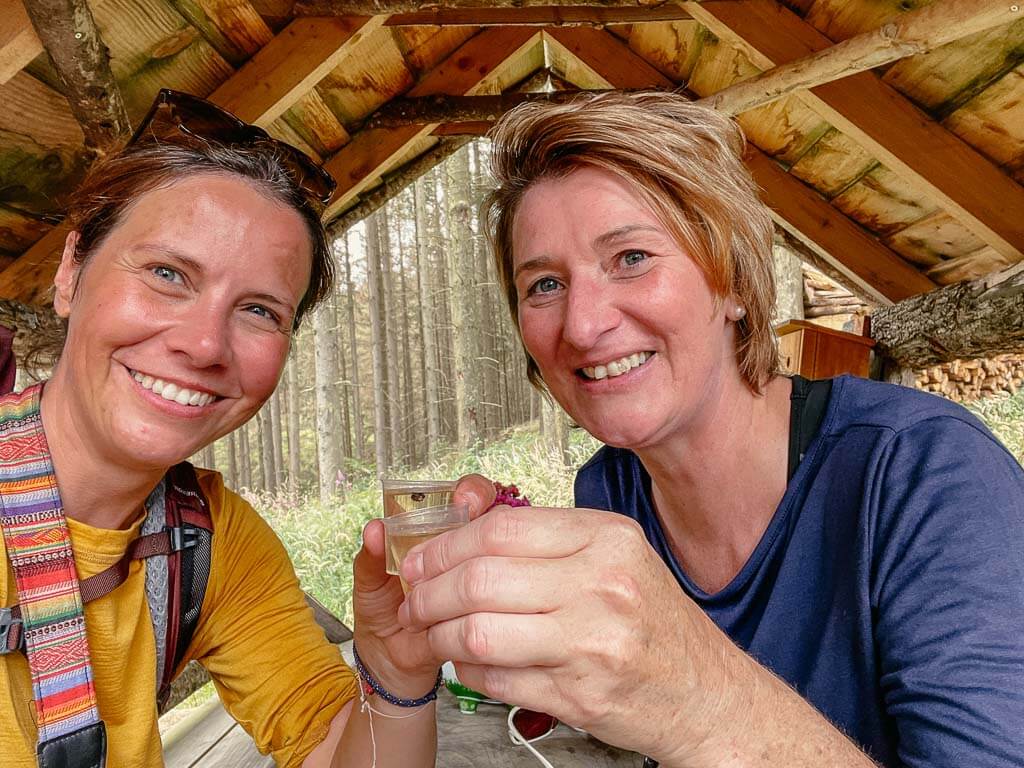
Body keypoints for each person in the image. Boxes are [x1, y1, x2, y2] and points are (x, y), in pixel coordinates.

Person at [394, 91, 1024, 767]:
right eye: (544, 284)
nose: (582, 325)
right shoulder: (610, 490)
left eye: (631, 257)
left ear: (733, 283)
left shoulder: (928, 472)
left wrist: (701, 696)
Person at [0, 89, 494, 767]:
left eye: (260, 310)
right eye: (168, 274)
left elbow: (334, 753)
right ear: (71, 271)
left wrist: (398, 674)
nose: (205, 344)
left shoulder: (211, 541)